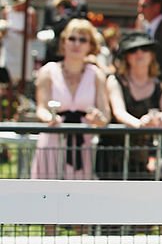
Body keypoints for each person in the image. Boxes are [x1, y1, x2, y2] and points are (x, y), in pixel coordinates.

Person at [31, 19, 109, 180]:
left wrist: (98, 119)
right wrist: (51, 118)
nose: (77, 44)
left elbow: (105, 115)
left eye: (83, 40)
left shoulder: (96, 74)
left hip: (83, 144)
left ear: (90, 45)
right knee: (47, 195)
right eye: (72, 38)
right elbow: (41, 108)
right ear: (63, 42)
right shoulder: (48, 71)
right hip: (53, 141)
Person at [97, 31, 162, 180]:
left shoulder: (161, 88)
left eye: (145, 49)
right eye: (133, 50)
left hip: (143, 160)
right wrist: (140, 124)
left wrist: (161, 119)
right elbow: (119, 112)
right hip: (113, 156)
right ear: (126, 57)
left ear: (152, 55)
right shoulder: (115, 81)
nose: (139, 53)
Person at [0, 0, 37, 84]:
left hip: (23, 52)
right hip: (9, 51)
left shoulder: (31, 13)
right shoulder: (7, 12)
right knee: (6, 80)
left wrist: (23, 33)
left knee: (22, 82)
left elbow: (34, 35)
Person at [136, 0, 162, 84]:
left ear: (157, 7)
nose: (140, 10)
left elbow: (161, 58)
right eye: (139, 6)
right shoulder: (147, 27)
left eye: (144, 6)